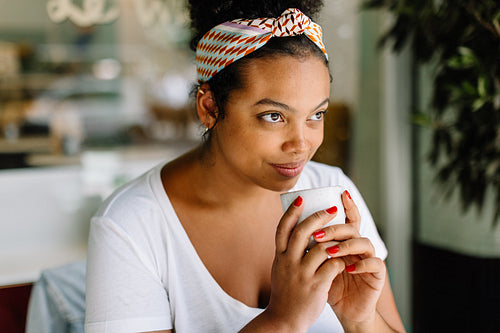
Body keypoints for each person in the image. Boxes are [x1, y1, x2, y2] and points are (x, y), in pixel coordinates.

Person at [85, 0, 406, 332]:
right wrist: (283, 320)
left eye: (316, 115)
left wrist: (360, 319)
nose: (301, 144)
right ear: (210, 108)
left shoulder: (333, 194)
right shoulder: (131, 225)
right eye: (273, 116)